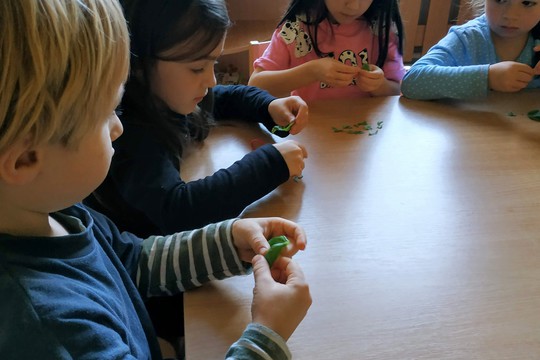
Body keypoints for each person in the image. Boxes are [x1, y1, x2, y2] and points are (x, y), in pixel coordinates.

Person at [0, 1, 312, 359]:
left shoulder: (59, 212)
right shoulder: (51, 330)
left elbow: (133, 261)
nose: (119, 127)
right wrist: (265, 338)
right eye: (106, 115)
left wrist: (225, 243)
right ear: (25, 159)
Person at [85, 0, 309, 239]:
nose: (212, 80)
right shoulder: (128, 133)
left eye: (213, 63)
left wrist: (268, 106)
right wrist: (270, 164)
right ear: (139, 63)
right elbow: (179, 212)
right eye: (197, 68)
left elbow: (221, 99)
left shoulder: (164, 94)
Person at [247, 0, 406, 101]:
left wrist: (378, 85)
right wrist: (312, 71)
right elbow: (255, 86)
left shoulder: (383, 31)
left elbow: (397, 90)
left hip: (366, 135)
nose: (354, 5)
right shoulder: (296, 28)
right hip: (310, 134)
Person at [401, 0, 540, 100]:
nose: (510, 15)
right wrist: (488, 77)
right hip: (472, 135)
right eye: (500, 0)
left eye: (527, 3)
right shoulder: (468, 38)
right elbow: (412, 81)